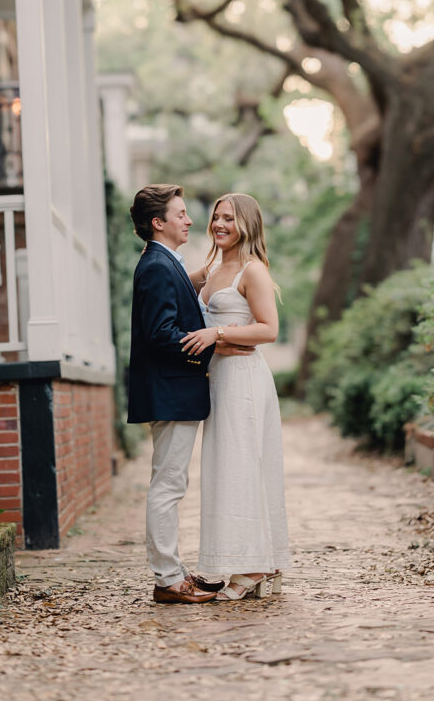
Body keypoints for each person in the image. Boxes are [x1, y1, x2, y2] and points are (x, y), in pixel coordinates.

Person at [127, 184, 252, 604]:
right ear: (158, 223)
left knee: (170, 483)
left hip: (172, 391)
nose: (191, 220)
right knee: (168, 485)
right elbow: (161, 334)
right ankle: (167, 579)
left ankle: (173, 572)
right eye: (181, 214)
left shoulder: (167, 262)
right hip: (169, 391)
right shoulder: (158, 265)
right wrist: (214, 344)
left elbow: (183, 296)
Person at [181, 192, 291, 601]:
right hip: (218, 378)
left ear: (246, 224)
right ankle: (244, 561)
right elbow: (169, 282)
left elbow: (268, 330)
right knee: (225, 469)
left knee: (243, 467)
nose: (219, 224)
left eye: (229, 218)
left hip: (245, 380)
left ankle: (255, 566)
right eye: (215, 217)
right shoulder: (210, 270)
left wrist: (218, 333)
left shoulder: (252, 270)